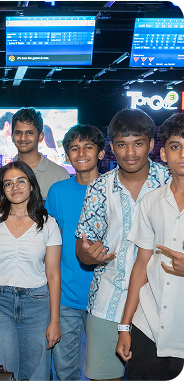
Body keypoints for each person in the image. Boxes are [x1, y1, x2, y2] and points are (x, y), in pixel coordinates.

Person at [75, 108, 171, 381]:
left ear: (152, 145)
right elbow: (83, 246)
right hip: (108, 301)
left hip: (159, 304)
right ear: (112, 148)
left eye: (138, 143)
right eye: (122, 144)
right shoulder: (98, 187)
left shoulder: (169, 182)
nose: (130, 152)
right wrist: (89, 254)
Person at [0, 161, 62, 381]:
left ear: (32, 185)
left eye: (21, 181)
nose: (15, 187)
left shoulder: (48, 224)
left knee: (36, 371)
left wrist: (55, 321)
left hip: (37, 303)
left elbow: (53, 275)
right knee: (2, 369)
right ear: (3, 190)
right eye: (8, 183)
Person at [116, 112, 184, 381]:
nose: (182, 154)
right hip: (148, 325)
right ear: (164, 154)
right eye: (176, 146)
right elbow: (141, 265)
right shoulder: (151, 202)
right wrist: (125, 325)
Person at [45, 124, 105, 381]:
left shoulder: (114, 190)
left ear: (101, 153)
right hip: (66, 295)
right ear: (67, 156)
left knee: (100, 372)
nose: (81, 153)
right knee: (65, 371)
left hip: (105, 297)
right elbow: (49, 242)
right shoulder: (58, 191)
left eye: (88, 147)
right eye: (74, 148)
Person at [12, 107, 69, 202]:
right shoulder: (4, 173)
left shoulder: (60, 175)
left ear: (40, 136)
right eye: (18, 133)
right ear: (12, 136)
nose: (23, 138)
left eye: (29, 133)